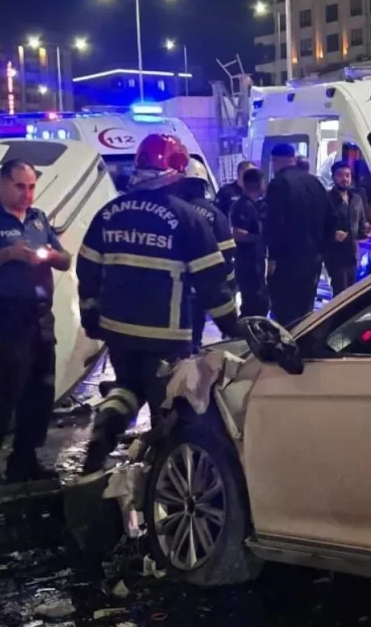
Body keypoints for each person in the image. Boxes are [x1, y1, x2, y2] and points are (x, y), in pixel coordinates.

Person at [77, 134, 241, 474]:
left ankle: (97, 450)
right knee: (169, 406)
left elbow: (87, 268)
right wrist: (233, 329)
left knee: (126, 389)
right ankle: (162, 475)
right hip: (166, 335)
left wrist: (91, 316)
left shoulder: (109, 213)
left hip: (118, 330)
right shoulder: (186, 218)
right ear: (177, 172)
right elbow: (212, 283)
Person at [0, 160, 72, 485]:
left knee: (41, 391)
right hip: (6, 315)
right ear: (3, 185)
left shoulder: (39, 220)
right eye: (20, 186)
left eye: (32, 186)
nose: (27, 194)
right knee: (6, 393)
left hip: (40, 316)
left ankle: (24, 460)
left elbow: (66, 260)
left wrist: (50, 256)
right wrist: (8, 254)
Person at [263, 143, 336, 327]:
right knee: (306, 309)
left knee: (284, 311)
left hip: (287, 261)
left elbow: (274, 223)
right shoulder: (314, 182)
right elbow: (332, 217)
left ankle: (285, 347)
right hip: (312, 260)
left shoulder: (279, 184)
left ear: (276, 161)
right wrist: (322, 250)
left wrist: (272, 257)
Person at [175, 157, 238, 353]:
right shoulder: (215, 214)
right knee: (194, 334)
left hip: (174, 290)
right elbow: (227, 254)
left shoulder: (172, 210)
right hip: (202, 288)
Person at [323, 161, 370, 295]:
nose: (345, 179)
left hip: (353, 254)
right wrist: (333, 234)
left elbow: (361, 224)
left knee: (353, 291)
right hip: (335, 255)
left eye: (347, 175)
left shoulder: (356, 199)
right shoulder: (327, 199)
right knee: (340, 292)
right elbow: (318, 225)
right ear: (333, 177)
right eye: (340, 175)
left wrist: (365, 231)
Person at [229, 167, 270, 317]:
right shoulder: (243, 206)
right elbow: (239, 234)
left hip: (255, 260)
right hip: (247, 261)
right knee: (255, 301)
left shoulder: (253, 205)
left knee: (259, 300)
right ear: (260, 184)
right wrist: (263, 237)